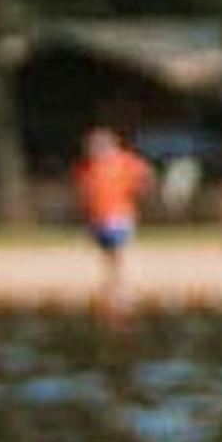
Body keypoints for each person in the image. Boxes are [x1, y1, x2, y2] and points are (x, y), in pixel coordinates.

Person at [71, 124, 154, 316]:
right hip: (97, 217)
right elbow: (83, 190)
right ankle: (112, 285)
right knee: (106, 251)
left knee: (118, 250)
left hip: (119, 215)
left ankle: (119, 286)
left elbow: (144, 175)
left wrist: (139, 191)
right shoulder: (88, 167)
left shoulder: (124, 162)